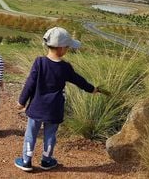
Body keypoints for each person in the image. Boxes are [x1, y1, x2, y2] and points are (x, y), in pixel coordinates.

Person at [14, 27, 100, 171]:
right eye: (67, 47)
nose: (68, 49)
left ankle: (26, 161)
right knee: (50, 136)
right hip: (54, 109)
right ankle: (46, 161)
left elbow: (30, 83)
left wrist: (21, 101)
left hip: (36, 107)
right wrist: (92, 89)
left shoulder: (39, 62)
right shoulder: (65, 67)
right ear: (61, 48)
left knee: (31, 134)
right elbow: (79, 80)